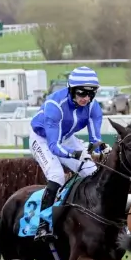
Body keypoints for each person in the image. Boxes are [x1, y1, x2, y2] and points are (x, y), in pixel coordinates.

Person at [29, 66, 109, 241]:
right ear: (71, 89)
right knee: (56, 175)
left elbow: (95, 139)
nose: (86, 98)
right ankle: (43, 225)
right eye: (81, 93)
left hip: (66, 138)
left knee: (92, 172)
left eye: (90, 94)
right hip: (43, 139)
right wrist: (75, 154)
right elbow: (54, 146)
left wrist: (102, 147)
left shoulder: (93, 107)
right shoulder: (54, 106)